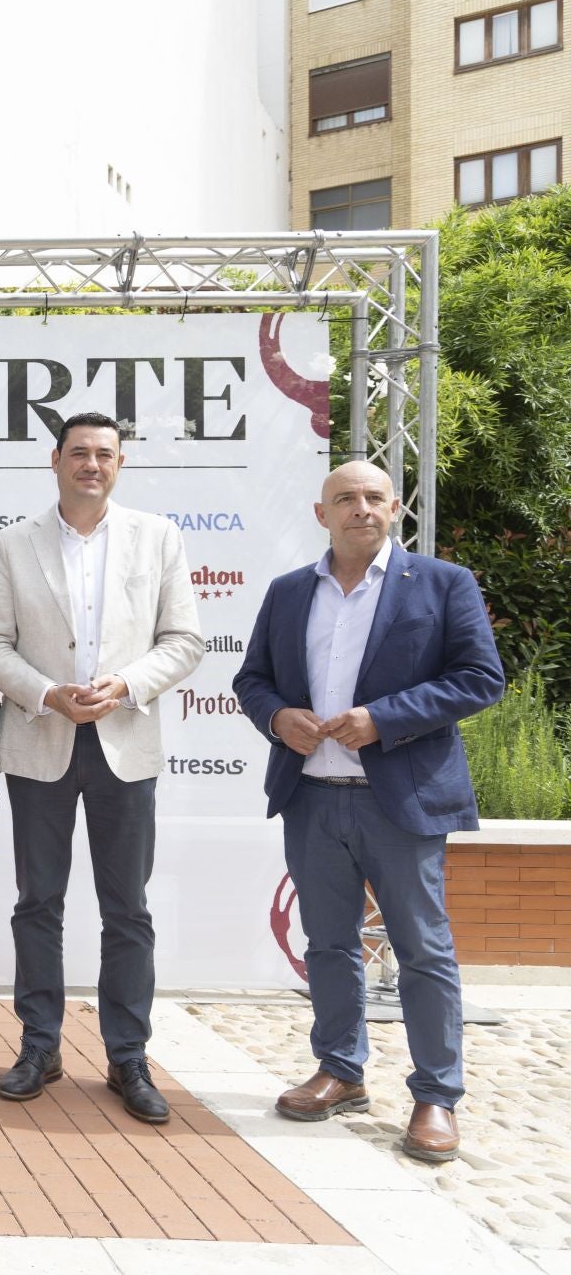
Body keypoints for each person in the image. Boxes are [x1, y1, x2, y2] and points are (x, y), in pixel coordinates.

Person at [233, 460, 503, 1162]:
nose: (361, 508)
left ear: (394, 510)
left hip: (403, 804)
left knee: (423, 951)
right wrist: (277, 717)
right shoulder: (290, 592)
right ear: (322, 513)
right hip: (312, 797)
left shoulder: (444, 585)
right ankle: (340, 1070)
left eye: (374, 497)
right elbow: (251, 678)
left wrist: (384, 718)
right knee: (327, 944)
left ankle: (436, 1096)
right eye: (345, 498)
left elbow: (480, 678)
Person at [0, 411, 202, 1123]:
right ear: (55, 460)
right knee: (37, 904)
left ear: (121, 464)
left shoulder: (157, 537)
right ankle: (39, 1046)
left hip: (124, 745)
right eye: (79, 453)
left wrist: (124, 686)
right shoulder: (13, 545)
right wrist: (47, 695)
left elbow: (184, 639)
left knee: (126, 910)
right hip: (42, 743)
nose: (91, 465)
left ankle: (127, 1055)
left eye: (104, 454)